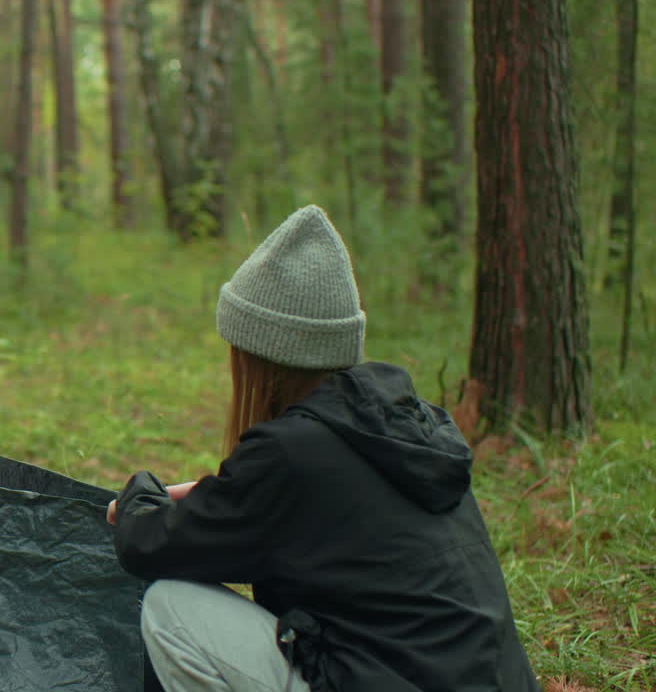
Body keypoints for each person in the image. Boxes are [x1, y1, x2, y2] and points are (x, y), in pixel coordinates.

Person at [107, 205, 539, 692]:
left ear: (261, 355)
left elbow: (150, 546)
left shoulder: (291, 453)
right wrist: (215, 491)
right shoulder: (404, 427)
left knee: (173, 608)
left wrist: (139, 493)